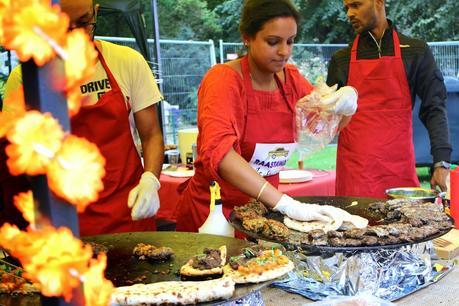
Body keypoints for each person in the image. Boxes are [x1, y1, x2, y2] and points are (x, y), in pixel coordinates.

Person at [175, 0, 358, 233]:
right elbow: (220, 154)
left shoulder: (290, 79)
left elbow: (324, 127)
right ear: (247, 37)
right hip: (213, 216)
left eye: (290, 41)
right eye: (273, 42)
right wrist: (284, 203)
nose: (284, 51)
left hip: (262, 214)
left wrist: (346, 107)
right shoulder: (223, 81)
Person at [1, 0, 164, 236]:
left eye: (85, 23)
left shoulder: (127, 62)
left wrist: (150, 180)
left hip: (128, 213)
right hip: (65, 221)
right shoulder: (26, 81)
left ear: (95, 13)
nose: (77, 36)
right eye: (65, 27)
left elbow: (151, 135)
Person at [327, 0, 452, 198]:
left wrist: (441, 161)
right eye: (346, 8)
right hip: (355, 174)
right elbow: (327, 125)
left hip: (399, 169)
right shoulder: (340, 60)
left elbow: (434, 108)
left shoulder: (414, 51)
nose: (349, 13)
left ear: (379, 2)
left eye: (356, 5)